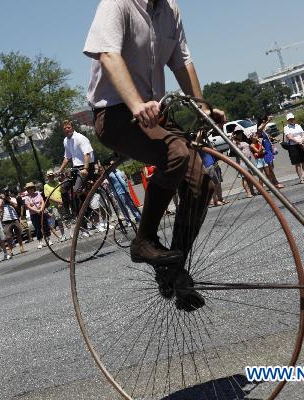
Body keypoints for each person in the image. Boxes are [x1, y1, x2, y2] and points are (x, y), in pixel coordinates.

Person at [84, 0, 226, 311]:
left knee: (201, 183)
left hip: (155, 114)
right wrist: (136, 104)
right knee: (175, 152)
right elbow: (108, 54)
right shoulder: (116, 4)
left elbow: (182, 60)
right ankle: (143, 241)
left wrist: (202, 109)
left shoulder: (169, 9)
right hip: (116, 114)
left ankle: (173, 271)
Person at [57, 120, 94, 195]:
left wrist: (85, 169)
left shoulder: (80, 138)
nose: (67, 129)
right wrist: (60, 170)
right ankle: (73, 206)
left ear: (73, 128)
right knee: (62, 188)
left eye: (68, 127)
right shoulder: (65, 140)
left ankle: (90, 199)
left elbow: (87, 154)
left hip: (86, 166)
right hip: (76, 168)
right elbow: (67, 157)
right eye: (65, 128)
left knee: (77, 190)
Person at [284, 113, 304, 184]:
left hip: (301, 144)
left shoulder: (298, 126)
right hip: (293, 146)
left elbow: (303, 134)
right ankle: (301, 178)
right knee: (297, 163)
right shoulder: (286, 127)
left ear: (294, 119)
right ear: (287, 120)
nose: (291, 120)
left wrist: (302, 141)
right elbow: (289, 137)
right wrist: (298, 141)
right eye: (289, 119)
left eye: (292, 119)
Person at [256, 116, 284, 189]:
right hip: (266, 152)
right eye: (263, 122)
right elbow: (259, 128)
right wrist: (267, 121)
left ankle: (273, 183)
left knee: (271, 167)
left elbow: (268, 137)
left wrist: (275, 139)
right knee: (269, 169)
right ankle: (274, 183)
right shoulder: (259, 131)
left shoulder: (263, 132)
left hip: (269, 151)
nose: (264, 123)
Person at [22, 182, 50, 249]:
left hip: (41, 212)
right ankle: (40, 241)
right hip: (34, 214)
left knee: (45, 226)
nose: (30, 189)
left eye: (31, 188)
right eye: (28, 188)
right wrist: (36, 210)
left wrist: (41, 208)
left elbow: (42, 201)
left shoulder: (38, 193)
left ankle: (48, 239)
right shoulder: (27, 197)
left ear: (33, 188)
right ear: (27, 189)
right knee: (37, 228)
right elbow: (28, 206)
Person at [0, 189, 25, 256]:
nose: (6, 193)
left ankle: (21, 247)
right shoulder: (1, 200)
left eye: (7, 192)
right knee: (8, 237)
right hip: (6, 220)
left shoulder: (12, 199)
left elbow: (16, 206)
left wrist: (8, 200)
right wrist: (2, 199)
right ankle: (10, 250)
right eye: (5, 192)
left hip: (14, 218)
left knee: (18, 233)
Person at [43, 170, 68, 242]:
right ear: (47, 177)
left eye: (52, 175)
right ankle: (63, 235)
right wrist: (58, 202)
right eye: (49, 176)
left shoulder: (59, 183)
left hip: (62, 203)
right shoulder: (46, 186)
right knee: (59, 220)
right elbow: (48, 197)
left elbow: (63, 192)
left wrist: (61, 202)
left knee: (66, 219)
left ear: (54, 176)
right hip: (54, 205)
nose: (51, 177)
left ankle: (71, 233)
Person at [232, 129, 255, 198]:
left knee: (250, 177)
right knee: (244, 178)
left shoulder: (244, 140)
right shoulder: (234, 142)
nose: (240, 134)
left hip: (249, 161)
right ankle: (248, 192)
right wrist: (232, 138)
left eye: (240, 133)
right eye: (237, 133)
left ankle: (252, 191)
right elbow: (232, 148)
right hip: (241, 162)